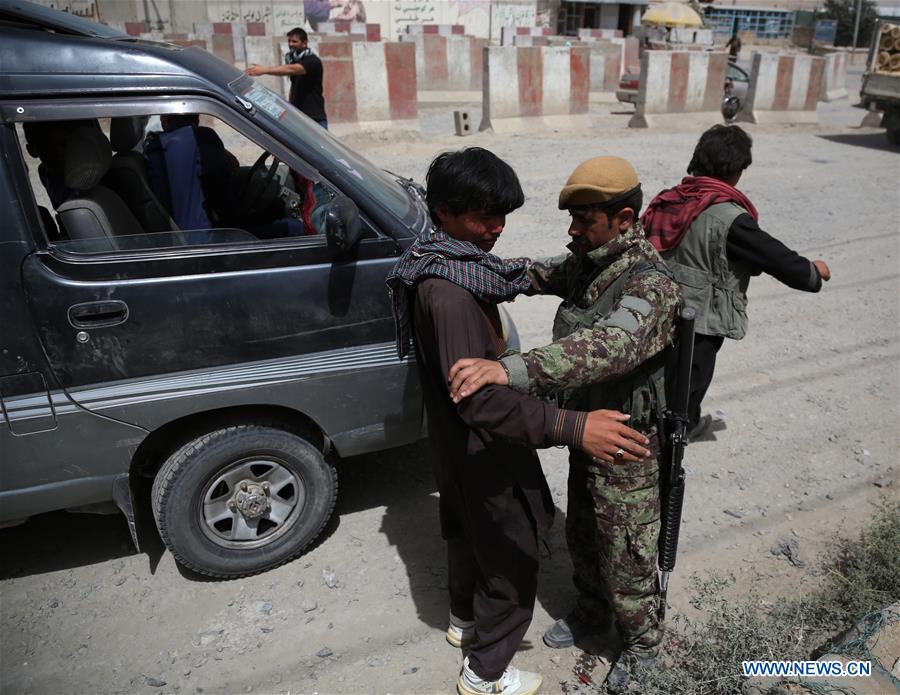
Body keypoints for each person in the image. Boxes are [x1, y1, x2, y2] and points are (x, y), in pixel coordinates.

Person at [387, 148, 654, 695]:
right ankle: (487, 671)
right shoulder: (454, 289)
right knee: (512, 553)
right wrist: (574, 427)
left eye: (501, 215)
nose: (496, 230)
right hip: (494, 445)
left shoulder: (435, 262)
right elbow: (483, 398)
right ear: (444, 211)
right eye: (483, 217)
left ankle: (469, 622)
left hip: (488, 444)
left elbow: (595, 336)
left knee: (473, 533)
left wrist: (516, 358)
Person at [446, 156, 683, 692]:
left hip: (629, 443)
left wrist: (510, 370)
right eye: (571, 219)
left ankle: (644, 644)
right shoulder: (589, 261)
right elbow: (528, 273)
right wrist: (452, 262)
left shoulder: (650, 285)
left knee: (626, 550)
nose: (573, 231)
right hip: (589, 428)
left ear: (624, 217)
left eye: (585, 220)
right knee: (582, 531)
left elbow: (608, 347)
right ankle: (592, 611)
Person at [641, 124, 831, 440]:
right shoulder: (729, 218)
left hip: (655, 308)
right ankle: (675, 436)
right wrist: (813, 272)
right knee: (687, 388)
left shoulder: (670, 200)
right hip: (698, 322)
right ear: (737, 172)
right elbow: (778, 258)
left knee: (658, 379)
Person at [246, 28, 328, 129]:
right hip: (299, 116)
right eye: (289, 41)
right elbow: (294, 85)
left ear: (305, 43)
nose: (291, 44)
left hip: (314, 117)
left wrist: (265, 70)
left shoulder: (313, 61)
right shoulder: (293, 59)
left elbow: (292, 69)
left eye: (294, 41)